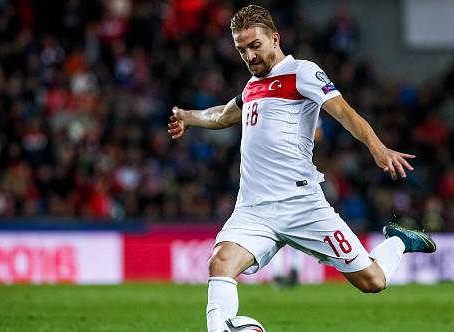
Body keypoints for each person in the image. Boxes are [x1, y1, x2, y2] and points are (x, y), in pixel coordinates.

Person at [167, 5, 436, 332]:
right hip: (253, 209)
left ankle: (398, 241)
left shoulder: (302, 72)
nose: (249, 56)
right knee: (220, 262)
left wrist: (377, 149)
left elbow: (344, 112)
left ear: (275, 39)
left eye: (255, 46)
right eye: (241, 50)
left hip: (302, 205)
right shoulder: (252, 86)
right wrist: (188, 117)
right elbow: (222, 115)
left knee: (373, 281)